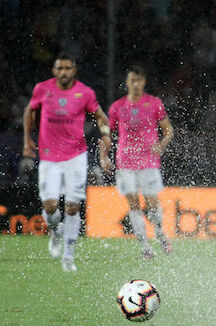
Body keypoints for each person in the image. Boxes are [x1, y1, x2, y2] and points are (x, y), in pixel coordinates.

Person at [23, 52, 111, 272]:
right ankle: (55, 231)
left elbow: (100, 116)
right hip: (49, 157)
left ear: (74, 70)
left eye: (67, 68)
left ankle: (68, 256)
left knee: (73, 207)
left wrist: (106, 134)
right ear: (54, 71)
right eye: (60, 68)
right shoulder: (42, 89)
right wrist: (26, 139)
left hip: (75, 156)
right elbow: (29, 111)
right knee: (50, 206)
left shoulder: (85, 92)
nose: (64, 72)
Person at [102, 66, 174, 258]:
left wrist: (161, 145)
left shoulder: (154, 103)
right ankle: (145, 248)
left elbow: (168, 130)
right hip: (125, 162)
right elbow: (107, 134)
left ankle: (159, 233)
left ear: (144, 82)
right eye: (132, 80)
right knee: (133, 203)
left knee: (151, 202)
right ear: (127, 82)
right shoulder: (117, 107)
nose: (135, 84)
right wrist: (103, 155)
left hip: (149, 161)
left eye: (139, 81)